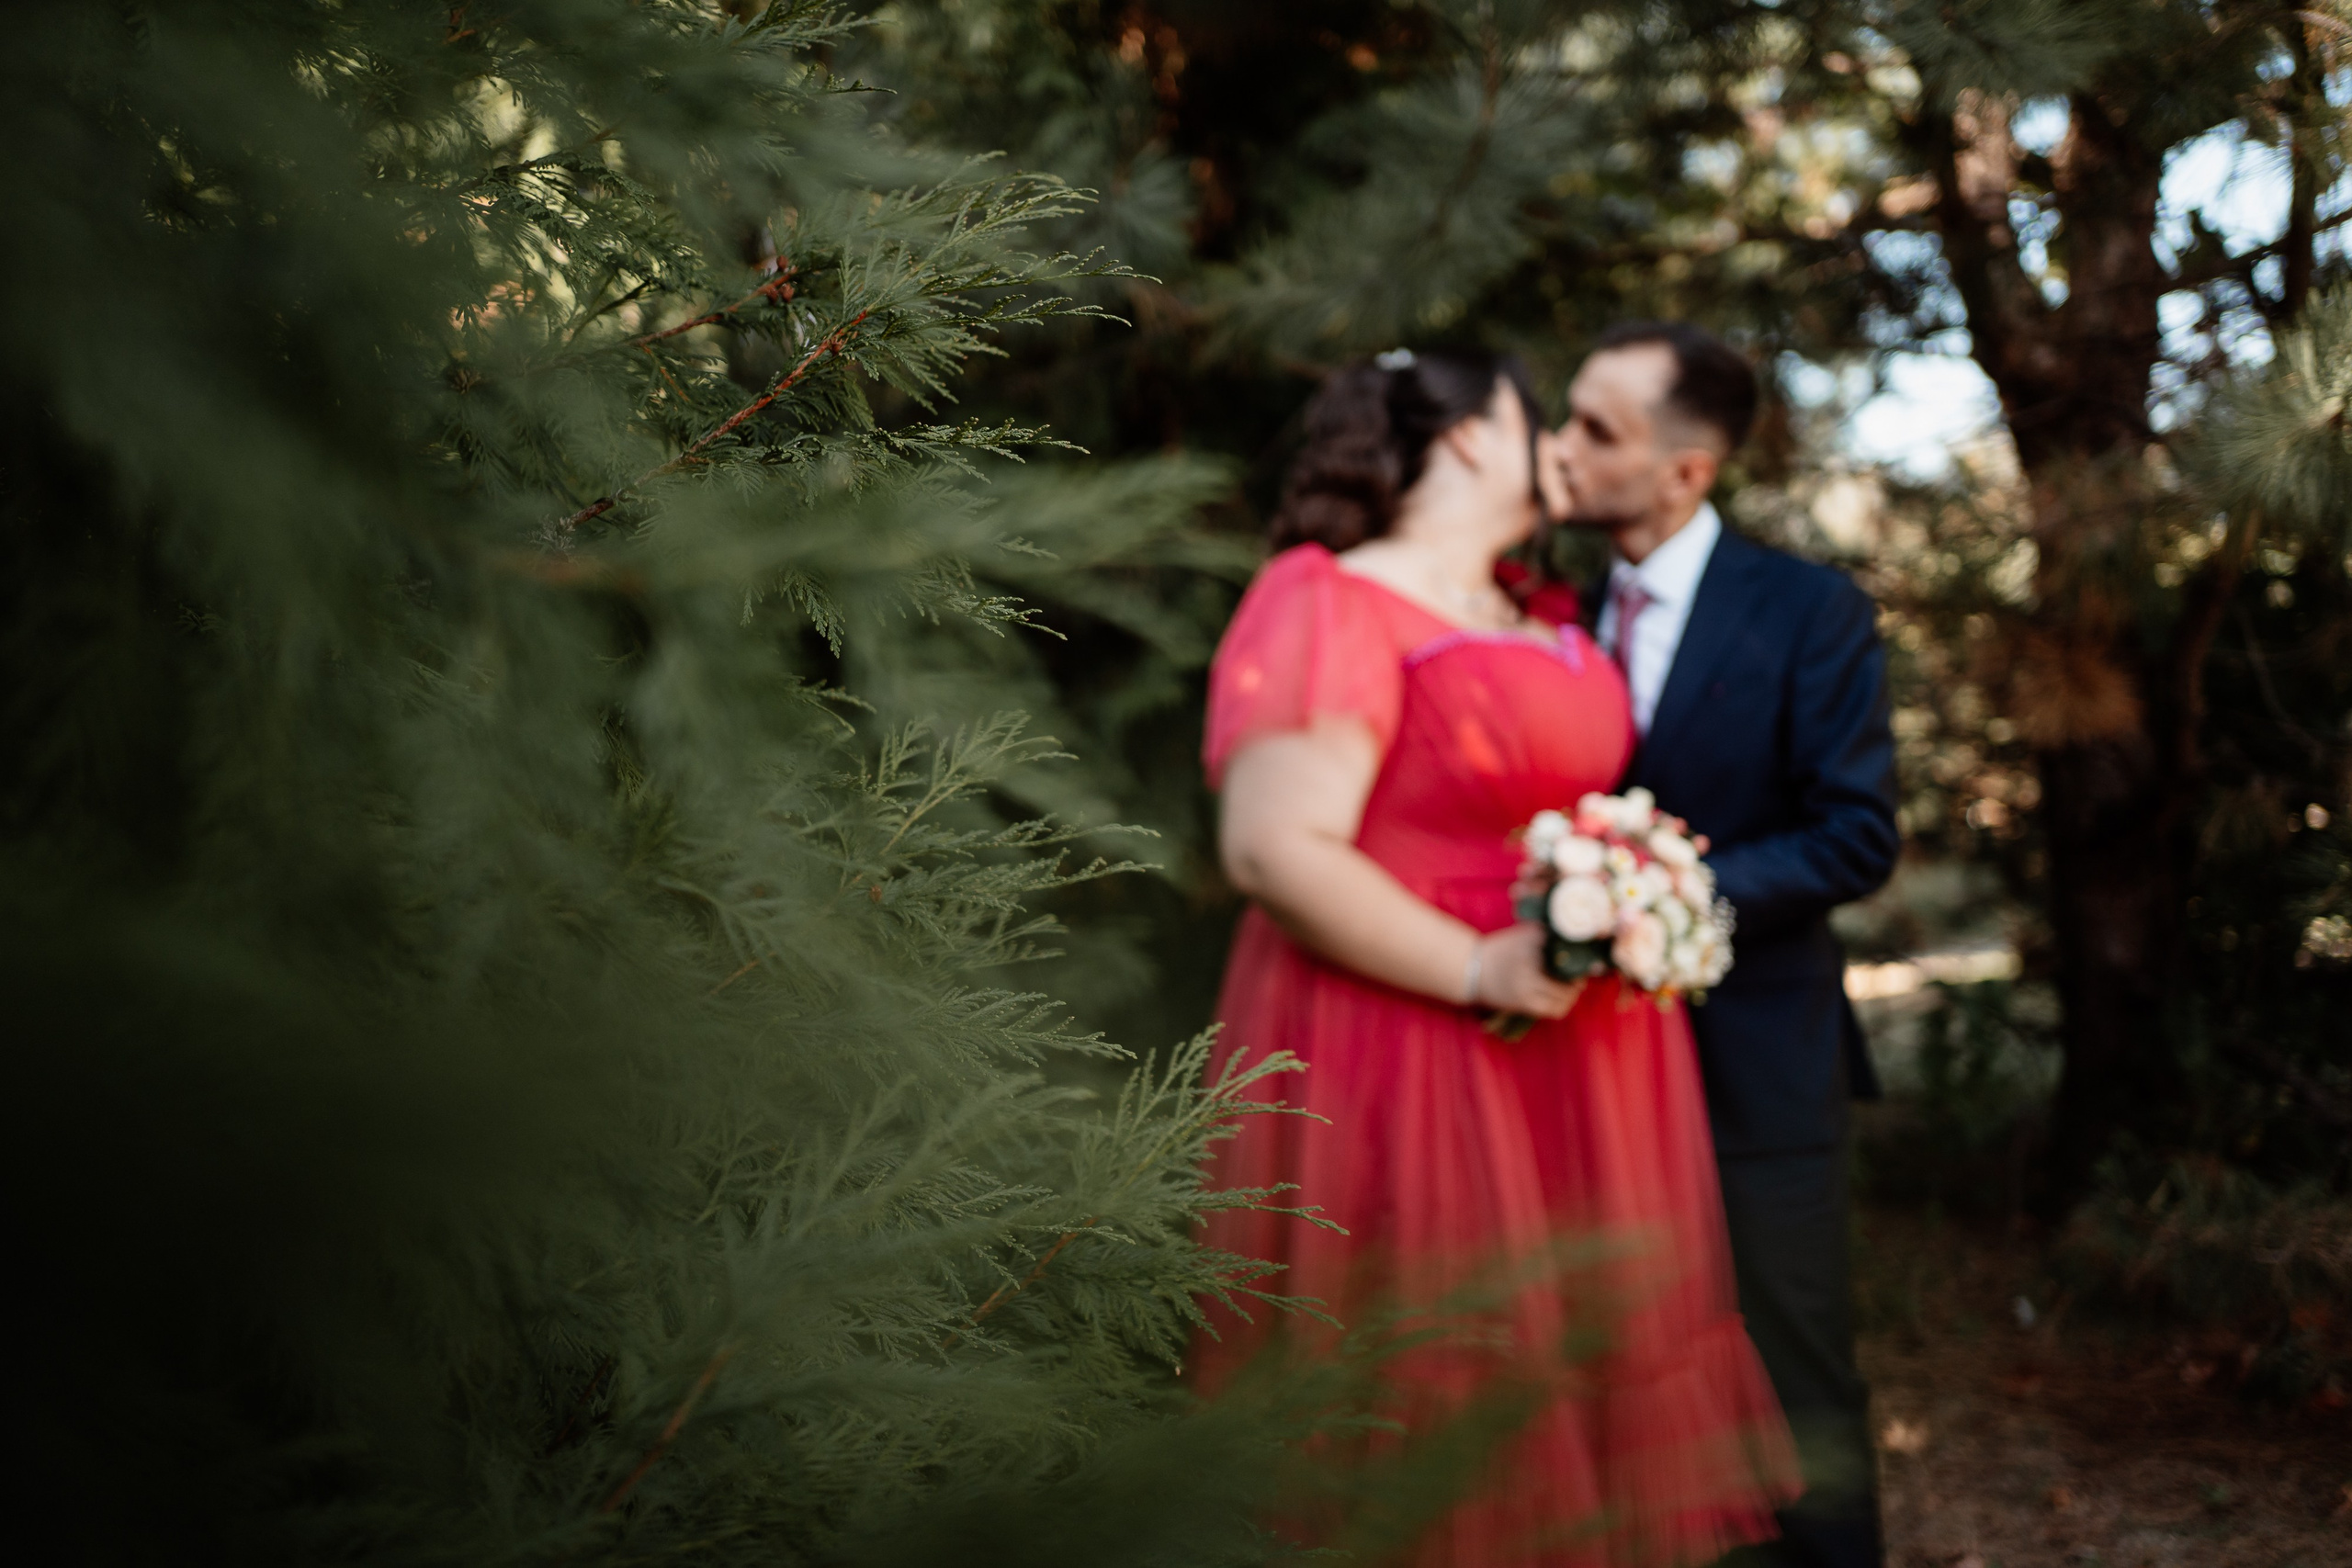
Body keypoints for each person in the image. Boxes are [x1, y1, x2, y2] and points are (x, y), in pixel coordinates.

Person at [1192, 346, 1801, 1568]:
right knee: (1438, 1380)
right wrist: (1479, 968)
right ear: (1471, 436)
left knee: (1574, 1385)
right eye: (1542, 422)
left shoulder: (1539, 611)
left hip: (1585, 1063)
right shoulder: (1333, 599)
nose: (1564, 452)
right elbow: (1271, 848)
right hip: (1413, 1038)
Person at [1549, 322, 1900, 1568]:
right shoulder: (1545, 606)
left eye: (1596, 428)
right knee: (1622, 1369)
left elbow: (1855, 836)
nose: (1560, 448)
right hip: (1572, 1064)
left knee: (1794, 1366)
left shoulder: (1810, 610)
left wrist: (1658, 901)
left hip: (1760, 1059)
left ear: (1687, 471)